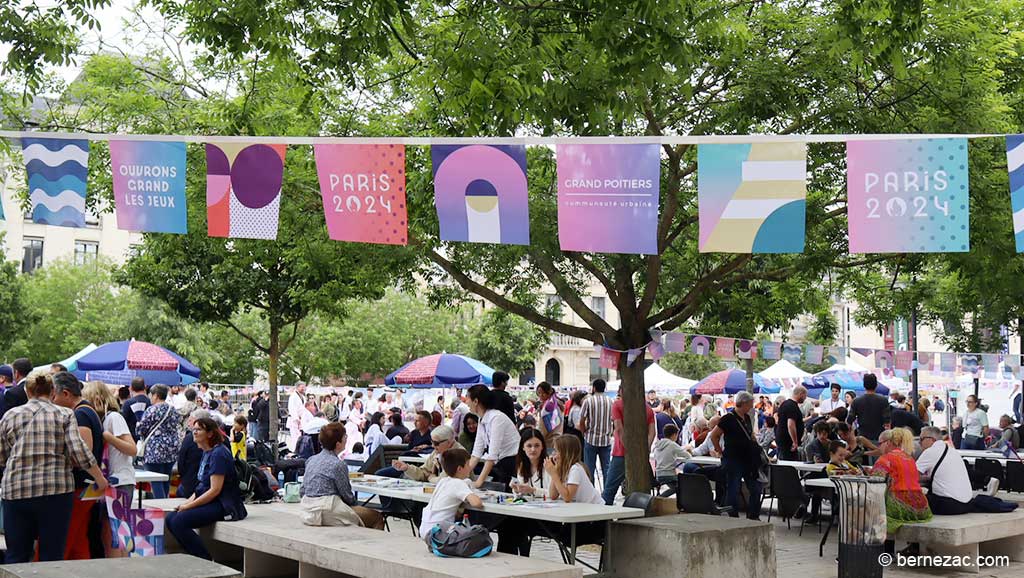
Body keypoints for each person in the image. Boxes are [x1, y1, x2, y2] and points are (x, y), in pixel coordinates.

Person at [0, 373, 108, 563]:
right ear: (52, 391)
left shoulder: (10, 416)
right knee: (52, 554)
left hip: (16, 490)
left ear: (27, 391)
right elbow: (79, 452)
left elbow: (2, 456)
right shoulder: (64, 414)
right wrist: (99, 478)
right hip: (55, 491)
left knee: (16, 553)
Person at [167, 417, 248, 559]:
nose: (195, 432)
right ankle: (192, 556)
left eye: (199, 429)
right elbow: (201, 488)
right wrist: (185, 504)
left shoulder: (219, 454)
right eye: (194, 429)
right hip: (211, 501)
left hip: (224, 505)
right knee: (170, 518)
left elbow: (214, 490)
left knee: (179, 521)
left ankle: (204, 559)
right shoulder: (206, 453)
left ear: (210, 433)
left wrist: (189, 506)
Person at [51, 372, 105, 560]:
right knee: (78, 538)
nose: (52, 400)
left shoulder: (80, 414)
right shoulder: (87, 410)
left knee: (65, 537)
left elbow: (83, 454)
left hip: (80, 485)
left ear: (65, 394)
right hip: (87, 485)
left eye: (54, 395)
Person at [83, 380, 137, 557]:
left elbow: (132, 449)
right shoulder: (102, 419)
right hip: (113, 482)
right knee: (112, 532)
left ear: (98, 399)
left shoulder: (113, 418)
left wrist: (108, 437)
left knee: (114, 533)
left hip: (119, 481)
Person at [299, 422, 384, 528]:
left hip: (308, 510)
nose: (346, 439)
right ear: (338, 444)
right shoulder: (338, 464)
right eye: (345, 437)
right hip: (329, 509)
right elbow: (347, 496)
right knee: (376, 517)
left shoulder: (311, 460)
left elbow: (302, 491)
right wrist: (357, 506)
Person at [710, 391, 762, 520]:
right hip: (733, 459)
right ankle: (733, 515)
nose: (751, 406)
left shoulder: (747, 418)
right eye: (750, 403)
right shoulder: (728, 418)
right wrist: (719, 451)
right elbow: (714, 435)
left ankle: (753, 515)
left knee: (756, 488)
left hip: (748, 459)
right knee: (733, 487)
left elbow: (750, 435)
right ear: (743, 403)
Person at [498, 429, 549, 556]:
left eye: (537, 445)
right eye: (529, 446)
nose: (533, 450)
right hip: (528, 511)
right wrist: (516, 490)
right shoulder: (522, 465)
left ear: (542, 447)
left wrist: (533, 490)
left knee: (513, 524)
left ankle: (518, 557)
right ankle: (510, 558)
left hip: (546, 515)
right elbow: (521, 497)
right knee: (505, 523)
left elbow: (554, 495)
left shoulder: (548, 466)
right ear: (523, 448)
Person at [871, 428, 932, 534]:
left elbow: (874, 482)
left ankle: (883, 547)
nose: (878, 447)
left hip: (900, 510)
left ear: (888, 443)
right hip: (921, 508)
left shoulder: (885, 459)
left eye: (880, 443)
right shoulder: (910, 458)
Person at [603, 391, 655, 505]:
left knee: (609, 489)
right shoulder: (648, 409)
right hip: (641, 455)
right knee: (639, 490)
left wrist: (630, 450)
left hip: (621, 453)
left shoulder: (617, 405)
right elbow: (652, 433)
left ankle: (603, 519)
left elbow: (619, 428)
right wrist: (645, 449)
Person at [418, 448, 484, 538]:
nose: (470, 467)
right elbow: (477, 503)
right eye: (468, 464)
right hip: (438, 532)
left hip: (425, 529)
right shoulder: (458, 483)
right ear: (460, 469)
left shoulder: (443, 481)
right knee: (478, 534)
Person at [466, 384, 520, 488]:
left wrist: (478, 483)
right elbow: (476, 453)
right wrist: (462, 476)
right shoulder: (481, 419)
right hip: (502, 462)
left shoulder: (496, 418)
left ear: (476, 401)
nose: (466, 402)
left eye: (468, 398)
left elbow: (492, 456)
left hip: (513, 462)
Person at [136, 384, 182, 499]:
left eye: (151, 395)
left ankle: (160, 507)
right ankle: (165, 505)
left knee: (155, 481)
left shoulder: (151, 410)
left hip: (154, 449)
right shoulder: (173, 410)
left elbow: (141, 429)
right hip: (171, 449)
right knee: (166, 480)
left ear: (156, 395)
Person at [917, 426, 972, 515]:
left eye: (921, 439)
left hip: (949, 505)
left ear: (931, 439)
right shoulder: (952, 450)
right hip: (966, 504)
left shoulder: (930, 451)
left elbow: (911, 475)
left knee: (914, 499)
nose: (919, 443)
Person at [392, 425, 465, 483]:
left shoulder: (459, 454)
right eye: (432, 442)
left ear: (449, 442)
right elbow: (424, 472)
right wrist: (407, 468)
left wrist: (431, 478)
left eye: (436, 443)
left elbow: (444, 481)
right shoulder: (438, 452)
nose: (433, 446)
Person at [546, 434, 603, 504]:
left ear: (565, 453)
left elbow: (567, 497)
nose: (553, 454)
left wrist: (554, 475)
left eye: (556, 451)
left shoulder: (575, 469)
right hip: (584, 508)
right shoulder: (562, 469)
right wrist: (555, 472)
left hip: (596, 507)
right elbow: (553, 496)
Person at [578, 378, 613, 483]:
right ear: (604, 388)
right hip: (606, 439)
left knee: (589, 468)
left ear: (593, 388)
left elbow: (581, 421)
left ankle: (590, 492)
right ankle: (607, 494)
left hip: (590, 438)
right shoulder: (610, 401)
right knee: (606, 469)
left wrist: (584, 433)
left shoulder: (588, 401)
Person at [846, 374, 891, 444]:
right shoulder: (883, 400)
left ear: (864, 385)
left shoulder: (856, 401)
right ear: (876, 385)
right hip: (879, 438)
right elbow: (887, 422)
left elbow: (849, 420)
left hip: (862, 437)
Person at [178, 409, 211, 500]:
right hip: (200, 484)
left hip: (194, 483)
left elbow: (181, 461)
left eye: (191, 419)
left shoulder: (190, 438)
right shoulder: (221, 440)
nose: (188, 422)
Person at [653, 424, 691, 494]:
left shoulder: (658, 445)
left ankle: (663, 498)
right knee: (682, 486)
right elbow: (687, 456)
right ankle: (660, 498)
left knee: (676, 487)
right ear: (674, 435)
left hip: (658, 474)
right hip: (669, 474)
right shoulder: (672, 444)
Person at [775, 385, 807, 461]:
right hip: (788, 442)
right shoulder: (792, 406)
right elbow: (791, 425)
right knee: (789, 465)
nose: (805, 398)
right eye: (805, 396)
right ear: (801, 394)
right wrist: (795, 442)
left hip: (782, 440)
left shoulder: (785, 404)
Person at [121, 377, 150, 441]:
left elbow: (122, 422)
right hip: (147, 439)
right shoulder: (151, 402)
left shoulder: (127, 403)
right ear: (145, 387)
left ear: (131, 388)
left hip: (131, 440)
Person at [286, 382, 311, 452]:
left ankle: (300, 450)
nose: (303, 388)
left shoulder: (303, 397)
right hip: (294, 419)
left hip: (301, 419)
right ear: (297, 387)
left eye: (304, 387)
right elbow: (291, 408)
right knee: (295, 437)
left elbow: (303, 409)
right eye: (301, 387)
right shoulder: (293, 397)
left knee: (300, 436)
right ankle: (295, 451)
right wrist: (296, 418)